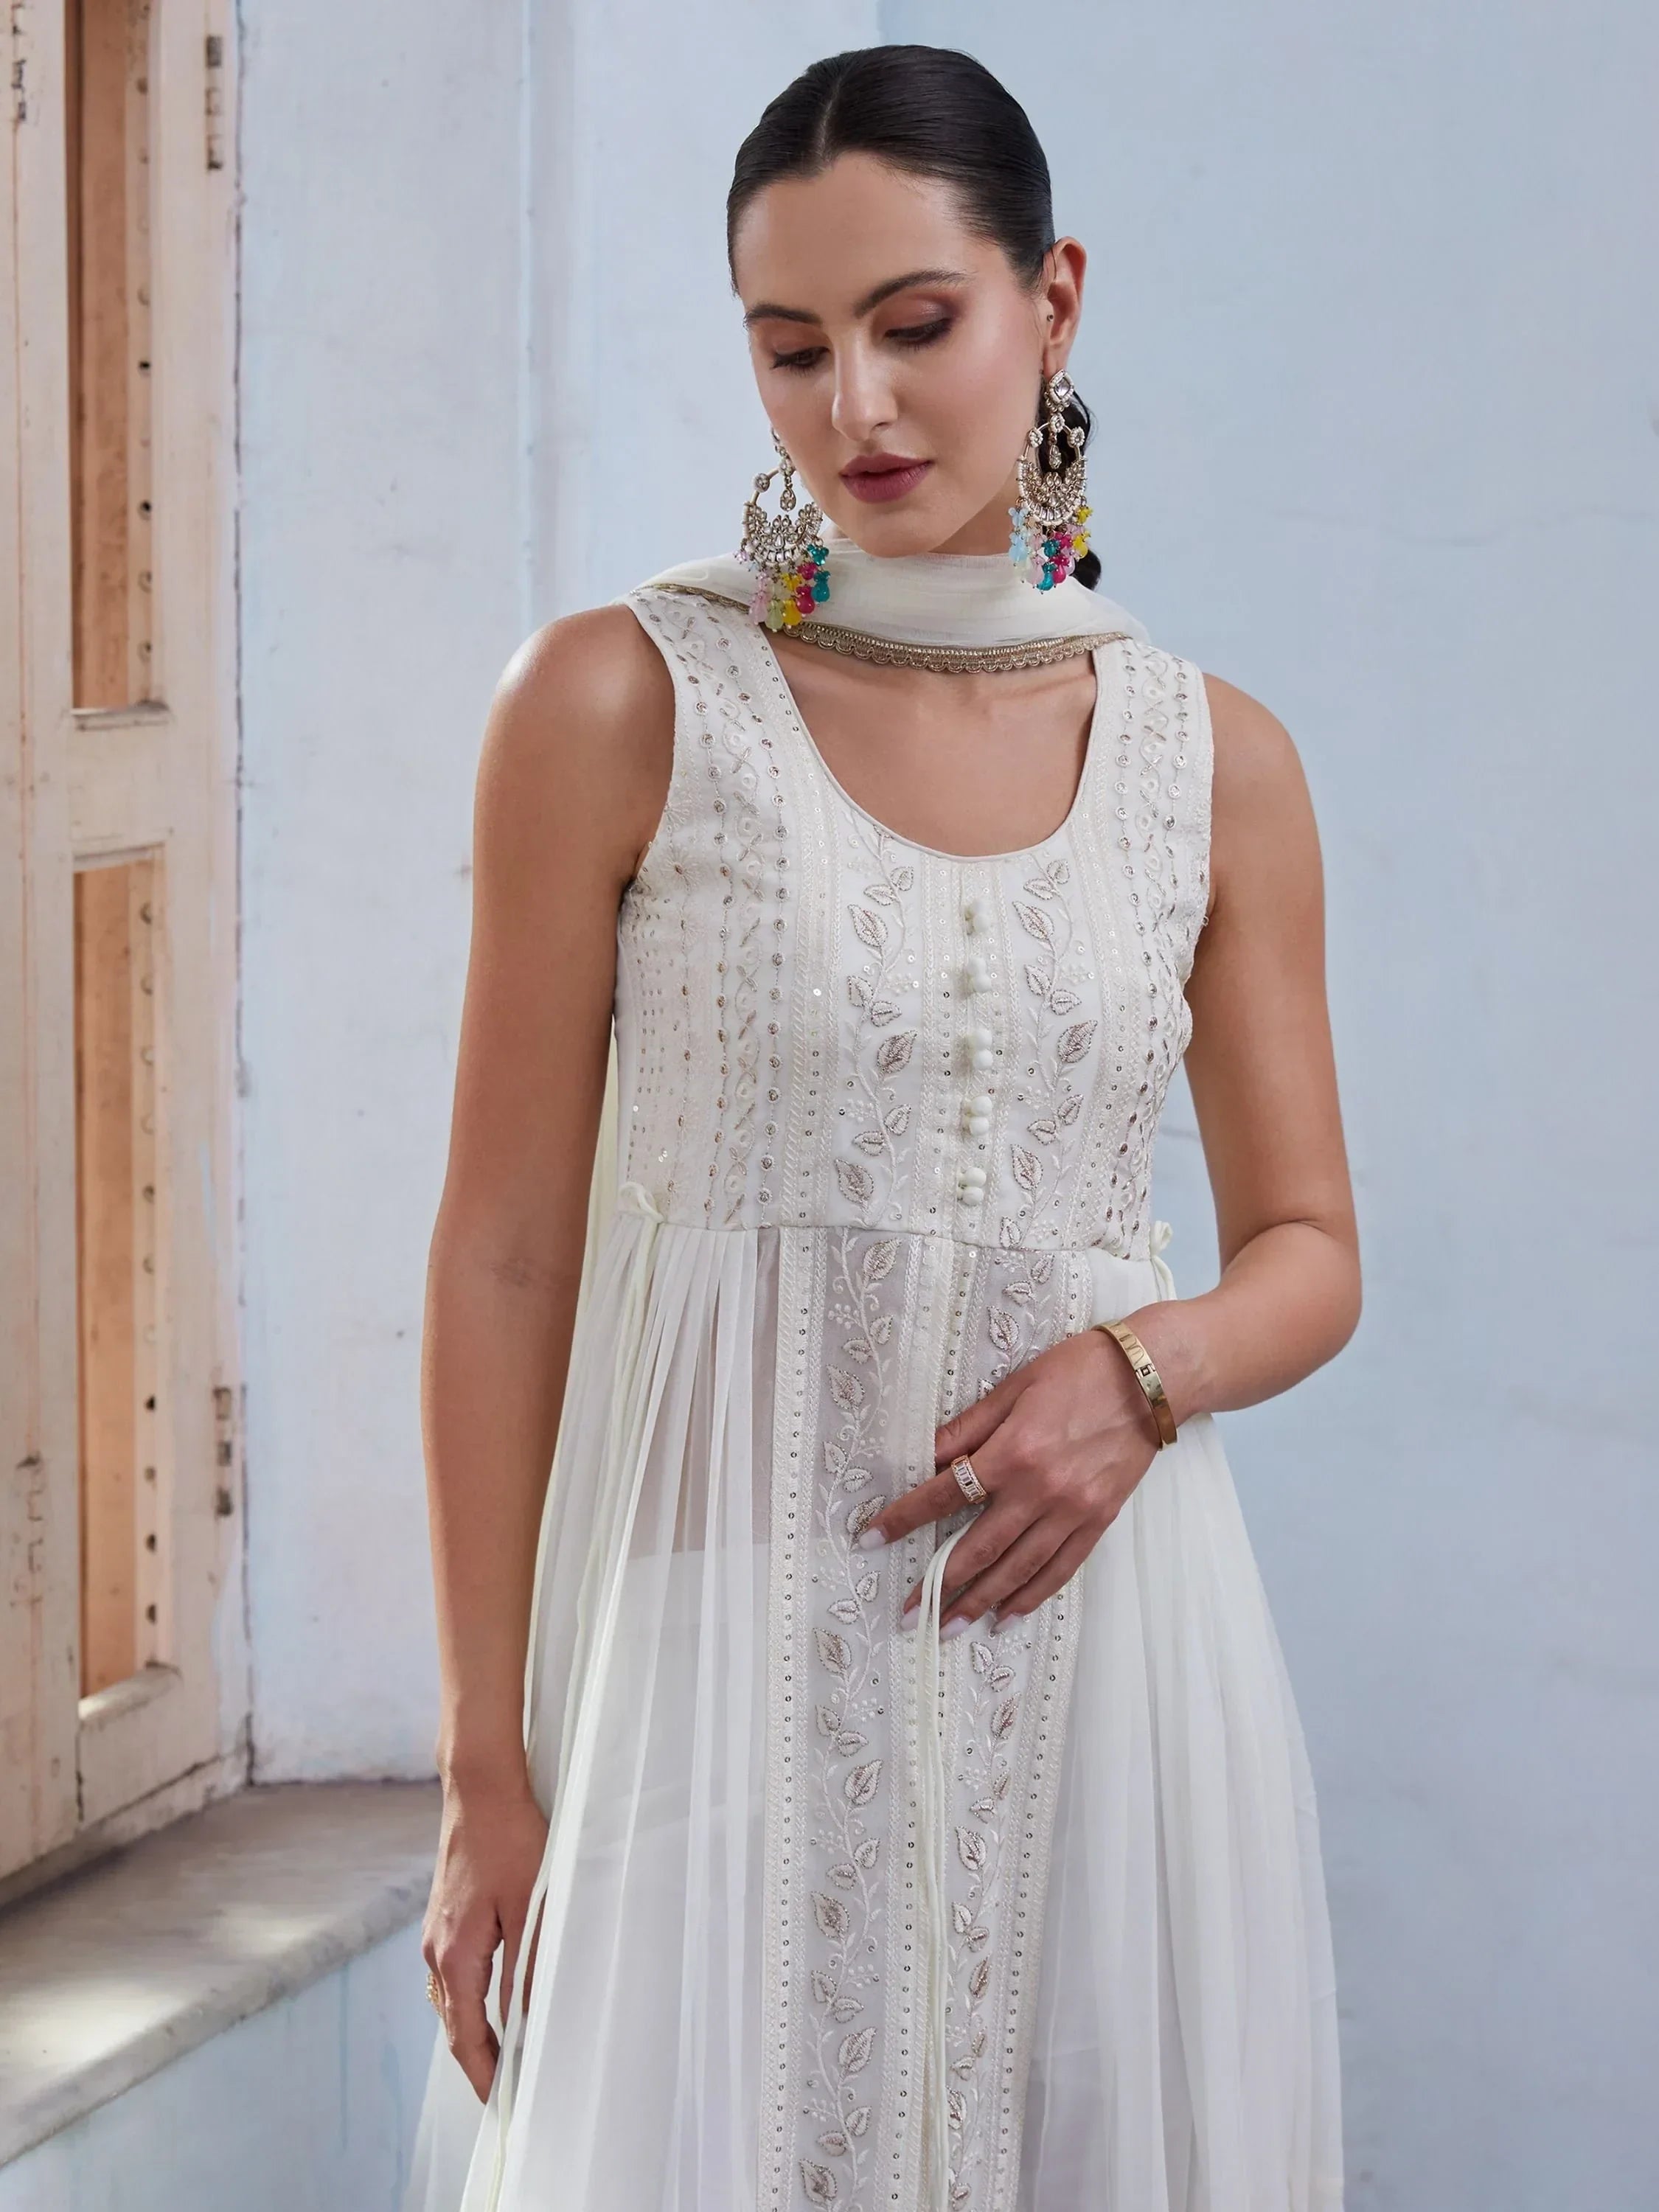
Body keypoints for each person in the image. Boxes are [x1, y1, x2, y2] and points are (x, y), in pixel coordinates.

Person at [405, 43, 1357, 2212]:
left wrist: (1137, 1379)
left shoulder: (1212, 759)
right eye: (791, 347)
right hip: (702, 1671)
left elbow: (1310, 1245)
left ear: (1054, 299)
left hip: (1101, 1666)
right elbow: (501, 1253)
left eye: (916, 325)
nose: (859, 410)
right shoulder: (618, 703)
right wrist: (485, 1761)